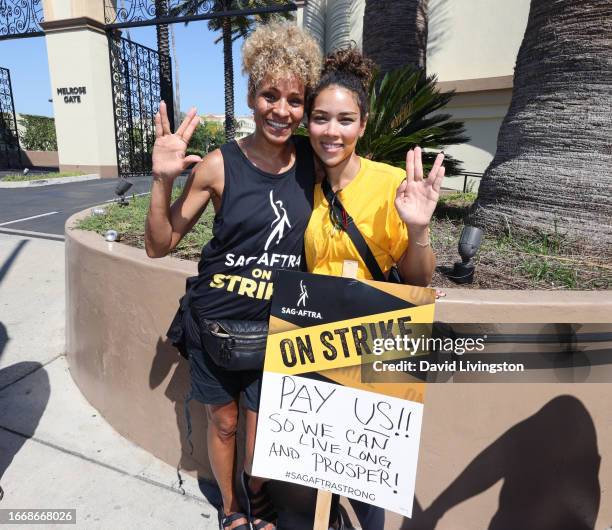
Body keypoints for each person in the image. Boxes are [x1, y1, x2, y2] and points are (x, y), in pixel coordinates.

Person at [144, 23, 321, 530]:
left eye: (293, 99)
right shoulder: (221, 165)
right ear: (252, 95)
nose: (281, 110)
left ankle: (257, 494)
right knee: (222, 424)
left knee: (263, 432)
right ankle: (232, 508)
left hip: (279, 328)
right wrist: (162, 179)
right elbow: (159, 244)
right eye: (270, 95)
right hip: (216, 323)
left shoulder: (314, 162)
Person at [304, 48, 446, 529]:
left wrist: (419, 228)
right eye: (321, 118)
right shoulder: (305, 184)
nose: (332, 131)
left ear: (362, 125)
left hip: (374, 339)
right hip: (312, 338)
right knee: (319, 461)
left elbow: (419, 278)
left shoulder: (390, 184)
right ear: (308, 123)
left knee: (364, 474)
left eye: (345, 119)